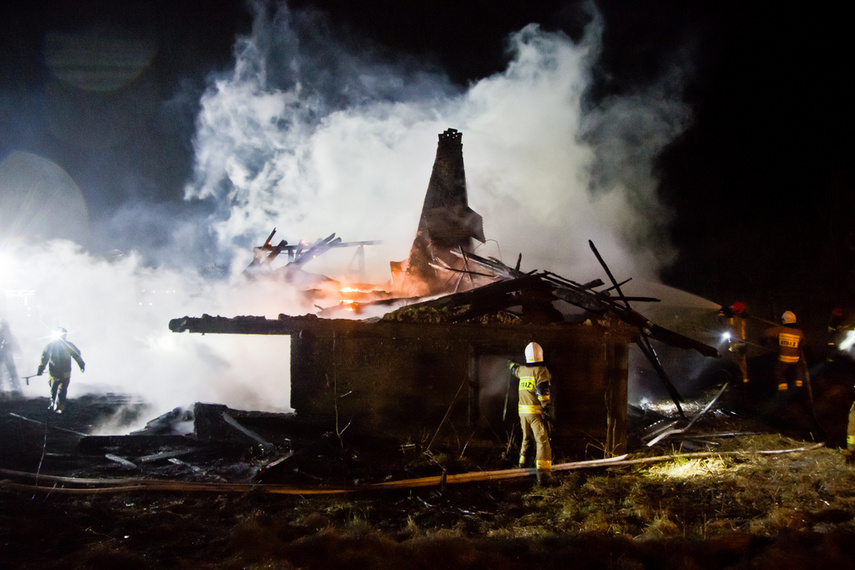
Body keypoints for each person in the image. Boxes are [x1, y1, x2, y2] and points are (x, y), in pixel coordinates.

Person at [509, 341, 553, 485]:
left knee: (526, 438)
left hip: (522, 413)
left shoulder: (522, 370)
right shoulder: (541, 371)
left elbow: (513, 368)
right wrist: (546, 407)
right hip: (535, 413)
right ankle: (544, 474)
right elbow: (543, 392)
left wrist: (509, 363)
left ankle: (523, 465)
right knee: (542, 440)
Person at [37, 327, 85, 413]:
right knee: (54, 389)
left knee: (61, 390)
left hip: (62, 373)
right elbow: (44, 358)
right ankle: (53, 404)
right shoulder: (52, 346)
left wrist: (81, 364)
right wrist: (41, 368)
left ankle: (60, 406)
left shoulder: (58, 346)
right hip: (56, 373)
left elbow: (77, 355)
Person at [763, 311, 807, 395]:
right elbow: (804, 343)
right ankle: (799, 387)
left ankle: (783, 391)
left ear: (784, 320)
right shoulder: (799, 332)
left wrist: (764, 339)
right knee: (799, 370)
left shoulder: (780, 329)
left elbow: (767, 332)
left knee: (778, 372)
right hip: (796, 358)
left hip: (784, 358)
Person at [718, 302, 750, 384]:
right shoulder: (743, 318)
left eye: (733, 309)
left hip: (736, 343)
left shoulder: (734, 319)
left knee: (737, 361)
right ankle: (745, 378)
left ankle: (739, 379)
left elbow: (724, 323)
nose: (731, 310)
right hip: (743, 342)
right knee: (743, 361)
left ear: (737, 311)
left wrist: (721, 314)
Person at [0, 319, 22, 397]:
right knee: (7, 374)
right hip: (3, 356)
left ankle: (16, 389)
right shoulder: (5, 335)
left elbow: (14, 345)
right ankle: (15, 389)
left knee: (12, 373)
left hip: (7, 357)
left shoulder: (9, 335)